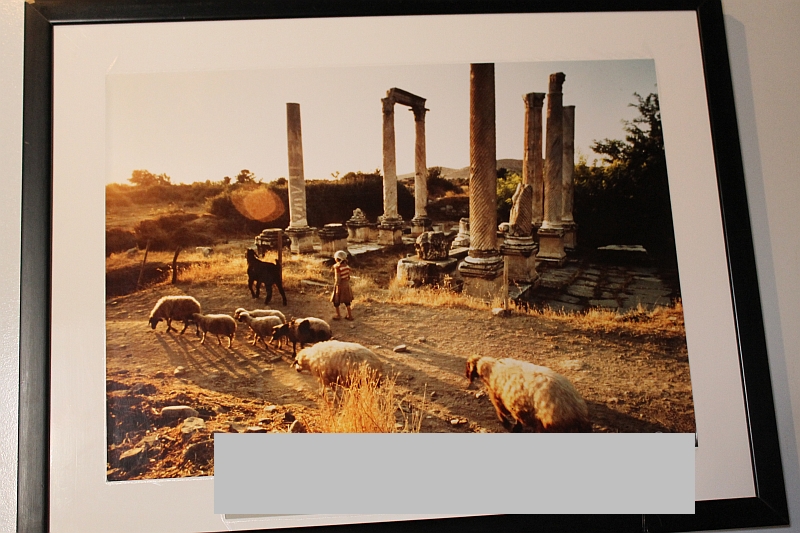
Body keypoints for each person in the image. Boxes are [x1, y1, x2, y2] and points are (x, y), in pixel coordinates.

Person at [331, 250, 354, 320]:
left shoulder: (337, 268)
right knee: (347, 301)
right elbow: (348, 276)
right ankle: (349, 316)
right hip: (346, 285)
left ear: (337, 259)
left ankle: (338, 315)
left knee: (336, 301)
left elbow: (338, 278)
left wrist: (337, 286)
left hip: (340, 285)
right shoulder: (347, 267)